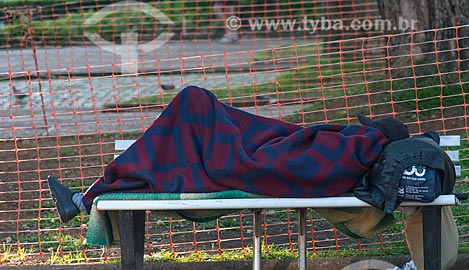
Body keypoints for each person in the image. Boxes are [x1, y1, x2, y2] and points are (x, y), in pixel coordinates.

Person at [48, 85, 409, 223]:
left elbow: (292, 156)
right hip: (255, 157)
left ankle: (86, 197)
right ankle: (86, 197)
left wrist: (256, 141)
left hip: (245, 162)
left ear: (374, 134)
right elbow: (294, 143)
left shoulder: (354, 148)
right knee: (188, 115)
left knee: (194, 100)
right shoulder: (353, 150)